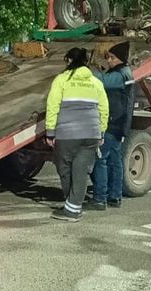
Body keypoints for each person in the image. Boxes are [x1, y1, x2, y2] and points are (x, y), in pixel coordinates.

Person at [45, 47, 109, 221]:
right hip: (91, 134)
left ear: (69, 61)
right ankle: (73, 206)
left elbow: (53, 106)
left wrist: (50, 132)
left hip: (67, 134)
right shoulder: (96, 82)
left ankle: (72, 208)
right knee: (81, 172)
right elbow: (104, 109)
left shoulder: (62, 80)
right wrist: (101, 132)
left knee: (65, 169)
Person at [89, 40, 134, 211]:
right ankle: (115, 197)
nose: (109, 60)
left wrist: (89, 70)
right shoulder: (126, 73)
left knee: (100, 159)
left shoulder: (120, 74)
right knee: (115, 161)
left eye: (111, 57)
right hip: (120, 124)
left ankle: (100, 199)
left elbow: (101, 82)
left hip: (112, 123)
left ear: (120, 58)